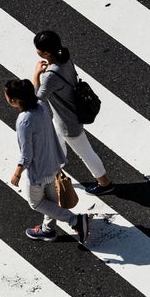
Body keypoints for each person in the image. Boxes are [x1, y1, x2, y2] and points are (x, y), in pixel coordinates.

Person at [4, 79, 89, 245]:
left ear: (15, 101)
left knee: (36, 203)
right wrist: (36, 77)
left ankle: (75, 221)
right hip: (53, 164)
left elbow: (26, 154)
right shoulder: (42, 106)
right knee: (50, 202)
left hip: (39, 171)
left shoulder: (24, 121)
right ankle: (48, 230)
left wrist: (17, 174)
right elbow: (38, 95)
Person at [32, 30, 113, 196]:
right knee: (56, 142)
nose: (37, 52)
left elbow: (37, 100)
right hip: (66, 115)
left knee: (86, 153)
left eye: (38, 49)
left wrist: (36, 75)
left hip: (68, 121)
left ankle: (104, 183)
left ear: (46, 53)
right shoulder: (65, 59)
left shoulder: (49, 76)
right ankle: (54, 171)